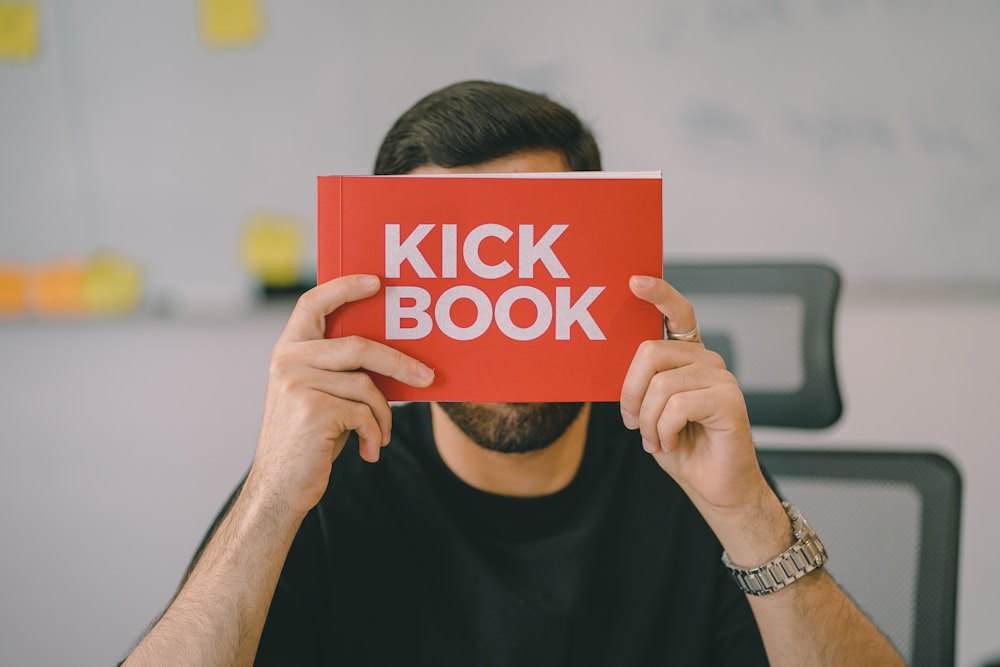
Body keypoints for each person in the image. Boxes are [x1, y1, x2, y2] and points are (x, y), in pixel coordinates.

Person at [123, 81, 903, 666]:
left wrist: (751, 518)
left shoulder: (686, 468)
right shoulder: (322, 483)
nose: (501, 321)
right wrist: (270, 497)